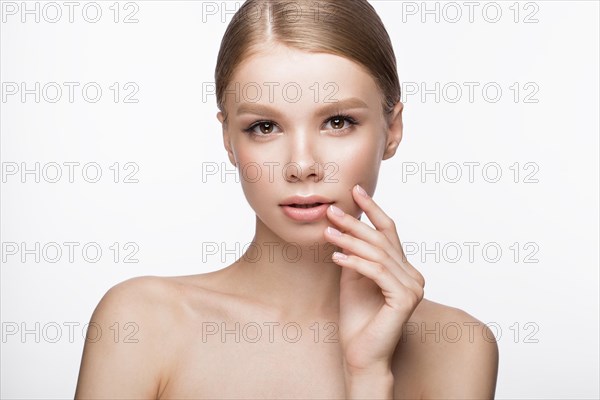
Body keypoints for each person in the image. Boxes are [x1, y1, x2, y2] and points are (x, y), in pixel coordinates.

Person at [75, 0, 499, 398]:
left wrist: (368, 374)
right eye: (264, 127)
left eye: (338, 121)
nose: (302, 165)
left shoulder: (457, 347)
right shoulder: (141, 323)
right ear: (228, 139)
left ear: (393, 130)